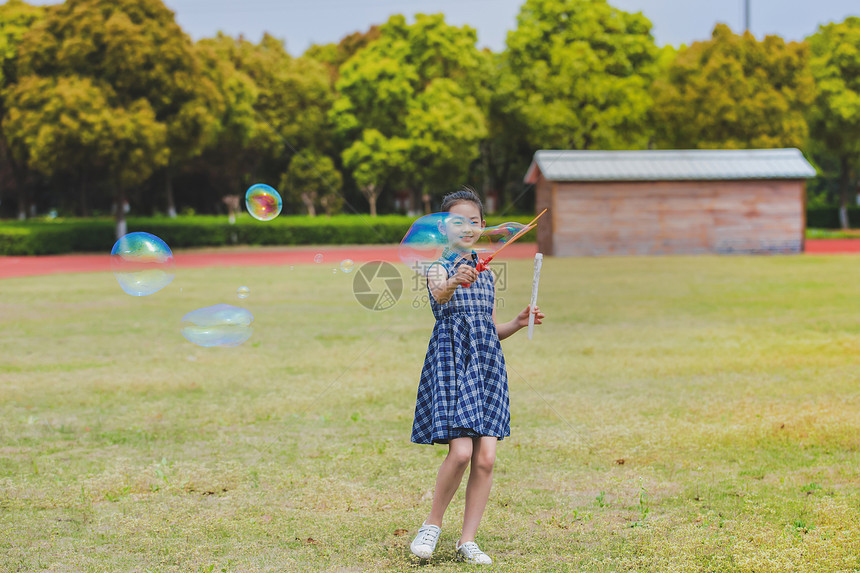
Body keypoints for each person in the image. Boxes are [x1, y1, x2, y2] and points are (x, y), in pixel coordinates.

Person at [409, 188, 545, 564]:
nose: (466, 227)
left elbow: (487, 328)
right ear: (443, 230)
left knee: (486, 458)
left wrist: (516, 324)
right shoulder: (440, 267)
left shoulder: (487, 274)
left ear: (483, 227)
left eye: (473, 221)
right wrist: (455, 281)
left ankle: (467, 540)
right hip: (453, 364)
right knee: (462, 452)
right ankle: (432, 525)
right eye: (457, 222)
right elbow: (438, 294)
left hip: (486, 366)